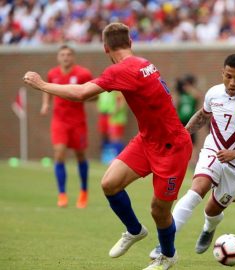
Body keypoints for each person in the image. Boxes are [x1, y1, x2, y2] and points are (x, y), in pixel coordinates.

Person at [24, 22, 192, 270]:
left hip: (172, 147)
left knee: (159, 210)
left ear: (105, 48)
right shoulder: (142, 62)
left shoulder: (122, 70)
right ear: (131, 43)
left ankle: (168, 255)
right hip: (148, 140)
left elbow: (82, 93)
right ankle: (134, 230)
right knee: (109, 184)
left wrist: (42, 85)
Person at [150, 54, 235, 259]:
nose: (232, 83)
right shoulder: (214, 93)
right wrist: (183, 134)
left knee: (213, 210)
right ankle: (163, 244)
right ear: (222, 73)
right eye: (228, 76)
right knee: (196, 190)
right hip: (212, 150)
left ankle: (208, 228)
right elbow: (203, 115)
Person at [40, 45, 93, 209]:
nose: (65, 57)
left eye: (69, 54)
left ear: (73, 57)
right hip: (59, 121)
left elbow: (94, 94)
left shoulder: (83, 74)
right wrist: (45, 104)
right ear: (58, 57)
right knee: (59, 153)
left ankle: (84, 191)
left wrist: (88, 97)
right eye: (62, 54)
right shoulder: (52, 73)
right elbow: (47, 88)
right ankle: (62, 194)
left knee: (80, 155)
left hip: (78, 122)